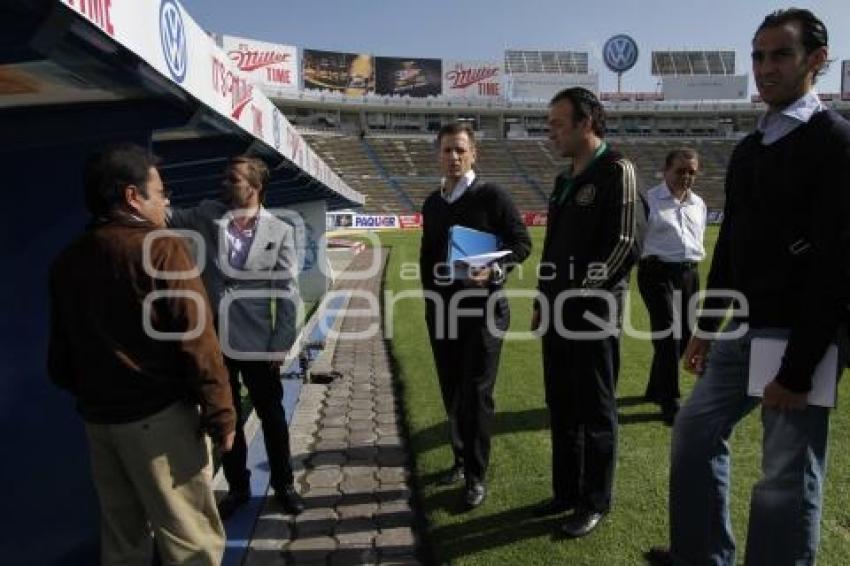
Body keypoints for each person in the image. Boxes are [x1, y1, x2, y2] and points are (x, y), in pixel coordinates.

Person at [646, 8, 850, 565]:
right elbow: (730, 252)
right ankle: (702, 554)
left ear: (817, 61)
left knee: (785, 472)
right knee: (694, 430)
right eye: (758, 56)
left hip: (801, 336)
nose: (765, 67)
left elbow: (837, 267)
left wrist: (799, 367)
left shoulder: (835, 142)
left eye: (780, 54)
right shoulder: (748, 149)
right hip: (740, 327)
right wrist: (705, 329)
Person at [48, 144, 236, 565]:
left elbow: (59, 362)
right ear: (133, 197)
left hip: (100, 423)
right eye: (160, 192)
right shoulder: (162, 247)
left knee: (122, 543)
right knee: (192, 543)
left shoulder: (66, 260)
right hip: (159, 422)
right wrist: (221, 411)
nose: (165, 201)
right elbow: (198, 341)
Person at [531, 87, 645, 537]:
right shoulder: (563, 180)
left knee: (596, 410)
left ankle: (595, 500)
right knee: (561, 406)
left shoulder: (618, 170)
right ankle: (566, 492)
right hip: (557, 314)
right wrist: (544, 297)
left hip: (593, 316)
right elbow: (553, 249)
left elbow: (624, 246)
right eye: (550, 123)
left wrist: (576, 293)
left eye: (558, 123)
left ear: (586, 123)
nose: (550, 131)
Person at [169, 155, 304, 518]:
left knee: (271, 417)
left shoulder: (279, 231)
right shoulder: (209, 212)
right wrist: (149, 201)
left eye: (233, 180)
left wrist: (280, 344)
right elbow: (171, 218)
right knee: (224, 416)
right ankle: (238, 488)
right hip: (213, 339)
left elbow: (288, 293)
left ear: (254, 188)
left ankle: (285, 484)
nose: (224, 184)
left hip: (259, 343)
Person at [419, 122, 531, 509]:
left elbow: (522, 242)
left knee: (477, 394)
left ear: (473, 154)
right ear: (438, 153)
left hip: (485, 313)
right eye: (447, 150)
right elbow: (427, 257)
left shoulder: (492, 196)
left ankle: (476, 477)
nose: (453, 157)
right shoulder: (433, 203)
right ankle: (460, 458)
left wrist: (496, 271)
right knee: (452, 390)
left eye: (460, 150)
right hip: (444, 314)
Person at [638, 149, 706, 425]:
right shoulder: (648, 200)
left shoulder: (698, 203)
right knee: (668, 335)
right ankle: (670, 400)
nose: (686, 176)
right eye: (680, 170)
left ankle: (655, 387)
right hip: (657, 272)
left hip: (689, 273)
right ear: (665, 170)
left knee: (686, 335)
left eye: (691, 171)